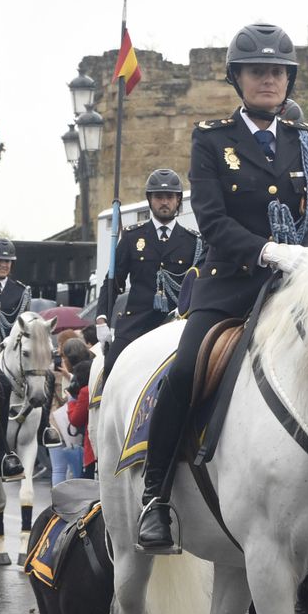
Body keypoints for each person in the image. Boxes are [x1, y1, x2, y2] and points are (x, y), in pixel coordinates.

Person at [136, 22, 308, 553]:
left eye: (277, 72)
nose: (269, 80)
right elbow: (212, 219)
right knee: (184, 370)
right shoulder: (212, 140)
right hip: (229, 287)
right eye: (258, 72)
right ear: (238, 79)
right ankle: (156, 496)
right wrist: (268, 250)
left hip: (296, 287)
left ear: (288, 80)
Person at [100, 168, 201, 367]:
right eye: (159, 197)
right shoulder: (132, 237)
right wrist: (102, 319)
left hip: (176, 322)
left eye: (170, 197)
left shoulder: (193, 241)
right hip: (137, 322)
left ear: (178, 200)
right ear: (150, 200)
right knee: (111, 366)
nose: (165, 202)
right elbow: (112, 282)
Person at [50, 337, 92, 486]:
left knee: (60, 469)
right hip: (83, 438)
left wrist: (71, 401)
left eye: (63, 356)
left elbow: (75, 419)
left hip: (86, 440)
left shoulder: (84, 389)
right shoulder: (93, 372)